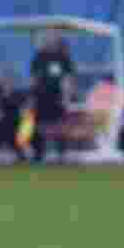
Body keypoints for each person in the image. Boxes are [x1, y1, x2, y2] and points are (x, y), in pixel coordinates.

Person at [29, 33, 75, 161]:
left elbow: (68, 78)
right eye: (47, 39)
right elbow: (34, 77)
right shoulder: (39, 57)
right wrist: (32, 96)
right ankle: (38, 153)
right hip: (41, 97)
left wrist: (67, 97)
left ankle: (62, 153)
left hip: (58, 97)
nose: (50, 41)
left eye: (52, 39)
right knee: (38, 125)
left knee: (60, 125)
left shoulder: (63, 58)